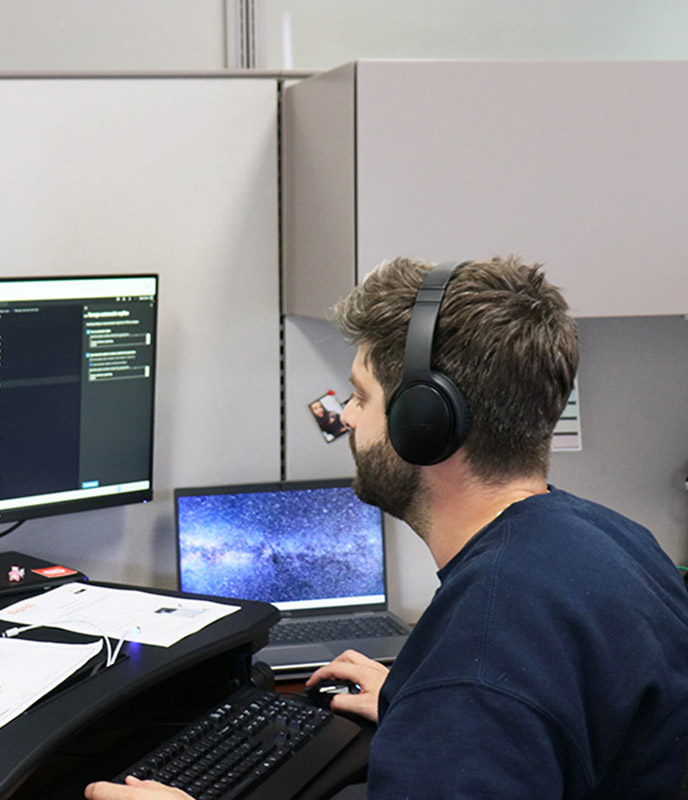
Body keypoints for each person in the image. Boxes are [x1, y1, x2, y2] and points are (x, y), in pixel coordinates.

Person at [85, 257, 688, 799]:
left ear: (426, 423)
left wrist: (455, 705)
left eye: (360, 396)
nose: (346, 417)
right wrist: (420, 703)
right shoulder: (608, 539)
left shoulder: (481, 654)